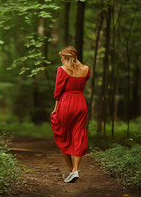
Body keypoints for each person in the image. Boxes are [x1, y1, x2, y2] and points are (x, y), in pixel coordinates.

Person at [50, 46, 91, 183]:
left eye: (62, 57)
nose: (61, 59)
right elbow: (84, 81)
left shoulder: (62, 70)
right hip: (81, 103)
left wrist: (56, 108)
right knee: (78, 134)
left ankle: (71, 169)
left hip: (66, 103)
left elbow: (58, 91)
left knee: (63, 134)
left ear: (65, 57)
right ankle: (75, 169)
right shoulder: (86, 69)